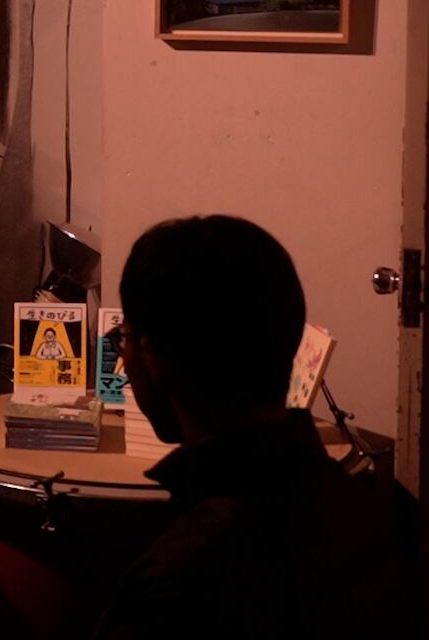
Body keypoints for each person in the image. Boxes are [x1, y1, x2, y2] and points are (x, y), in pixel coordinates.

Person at [96, 215, 420, 638]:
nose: (124, 356)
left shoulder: (177, 585)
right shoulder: (379, 519)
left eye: (125, 337)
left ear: (156, 357)